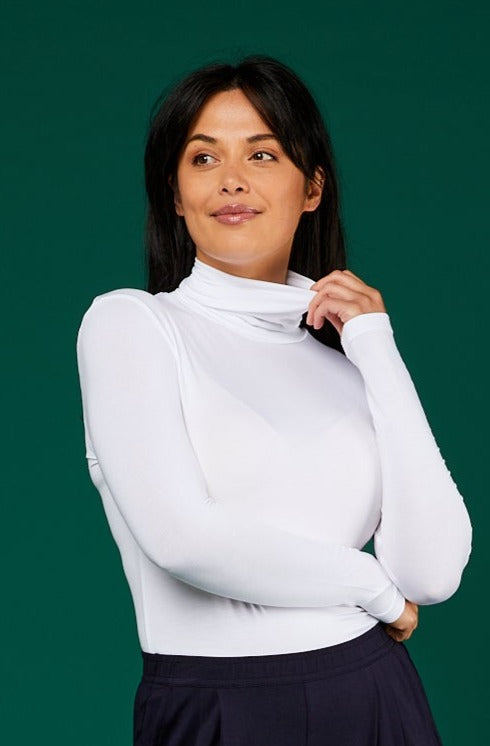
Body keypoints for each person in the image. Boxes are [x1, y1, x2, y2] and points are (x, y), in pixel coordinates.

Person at [75, 55, 473, 745]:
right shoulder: (132, 326)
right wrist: (375, 590)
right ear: (175, 195)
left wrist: (378, 348)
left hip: (377, 690)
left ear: (312, 187)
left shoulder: (346, 364)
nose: (231, 179)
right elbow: (183, 539)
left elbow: (433, 574)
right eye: (203, 158)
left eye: (262, 154)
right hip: (221, 705)